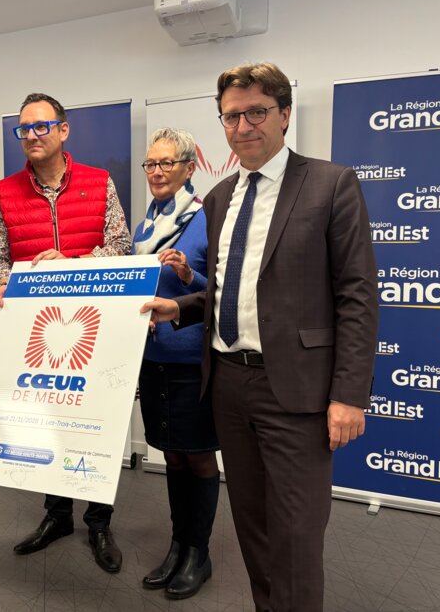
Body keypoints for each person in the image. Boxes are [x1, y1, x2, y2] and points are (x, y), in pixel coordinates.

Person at [142, 63, 378, 611]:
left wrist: (349, 395)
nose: (243, 125)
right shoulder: (220, 197)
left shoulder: (330, 184)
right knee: (252, 526)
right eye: (232, 116)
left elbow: (358, 296)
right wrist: (181, 307)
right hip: (227, 384)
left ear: (284, 115)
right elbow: (233, 288)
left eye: (256, 112)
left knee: (295, 535)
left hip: (294, 390)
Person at [0, 92, 131, 573]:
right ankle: (57, 516)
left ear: (63, 130)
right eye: (24, 129)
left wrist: (69, 262)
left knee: (96, 424)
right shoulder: (4, 192)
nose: (32, 135)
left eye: (41, 126)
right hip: (37, 334)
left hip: (95, 327)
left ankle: (99, 523)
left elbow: (120, 246)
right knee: (48, 422)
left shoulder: (98, 181)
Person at [133, 128, 220, 600]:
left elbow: (221, 291)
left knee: (199, 456)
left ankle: (198, 554)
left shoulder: (207, 218)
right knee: (170, 454)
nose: (157, 171)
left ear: (189, 168)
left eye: (167, 163)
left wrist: (189, 274)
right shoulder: (146, 225)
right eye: (151, 163)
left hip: (191, 360)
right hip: (153, 359)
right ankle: (177, 545)